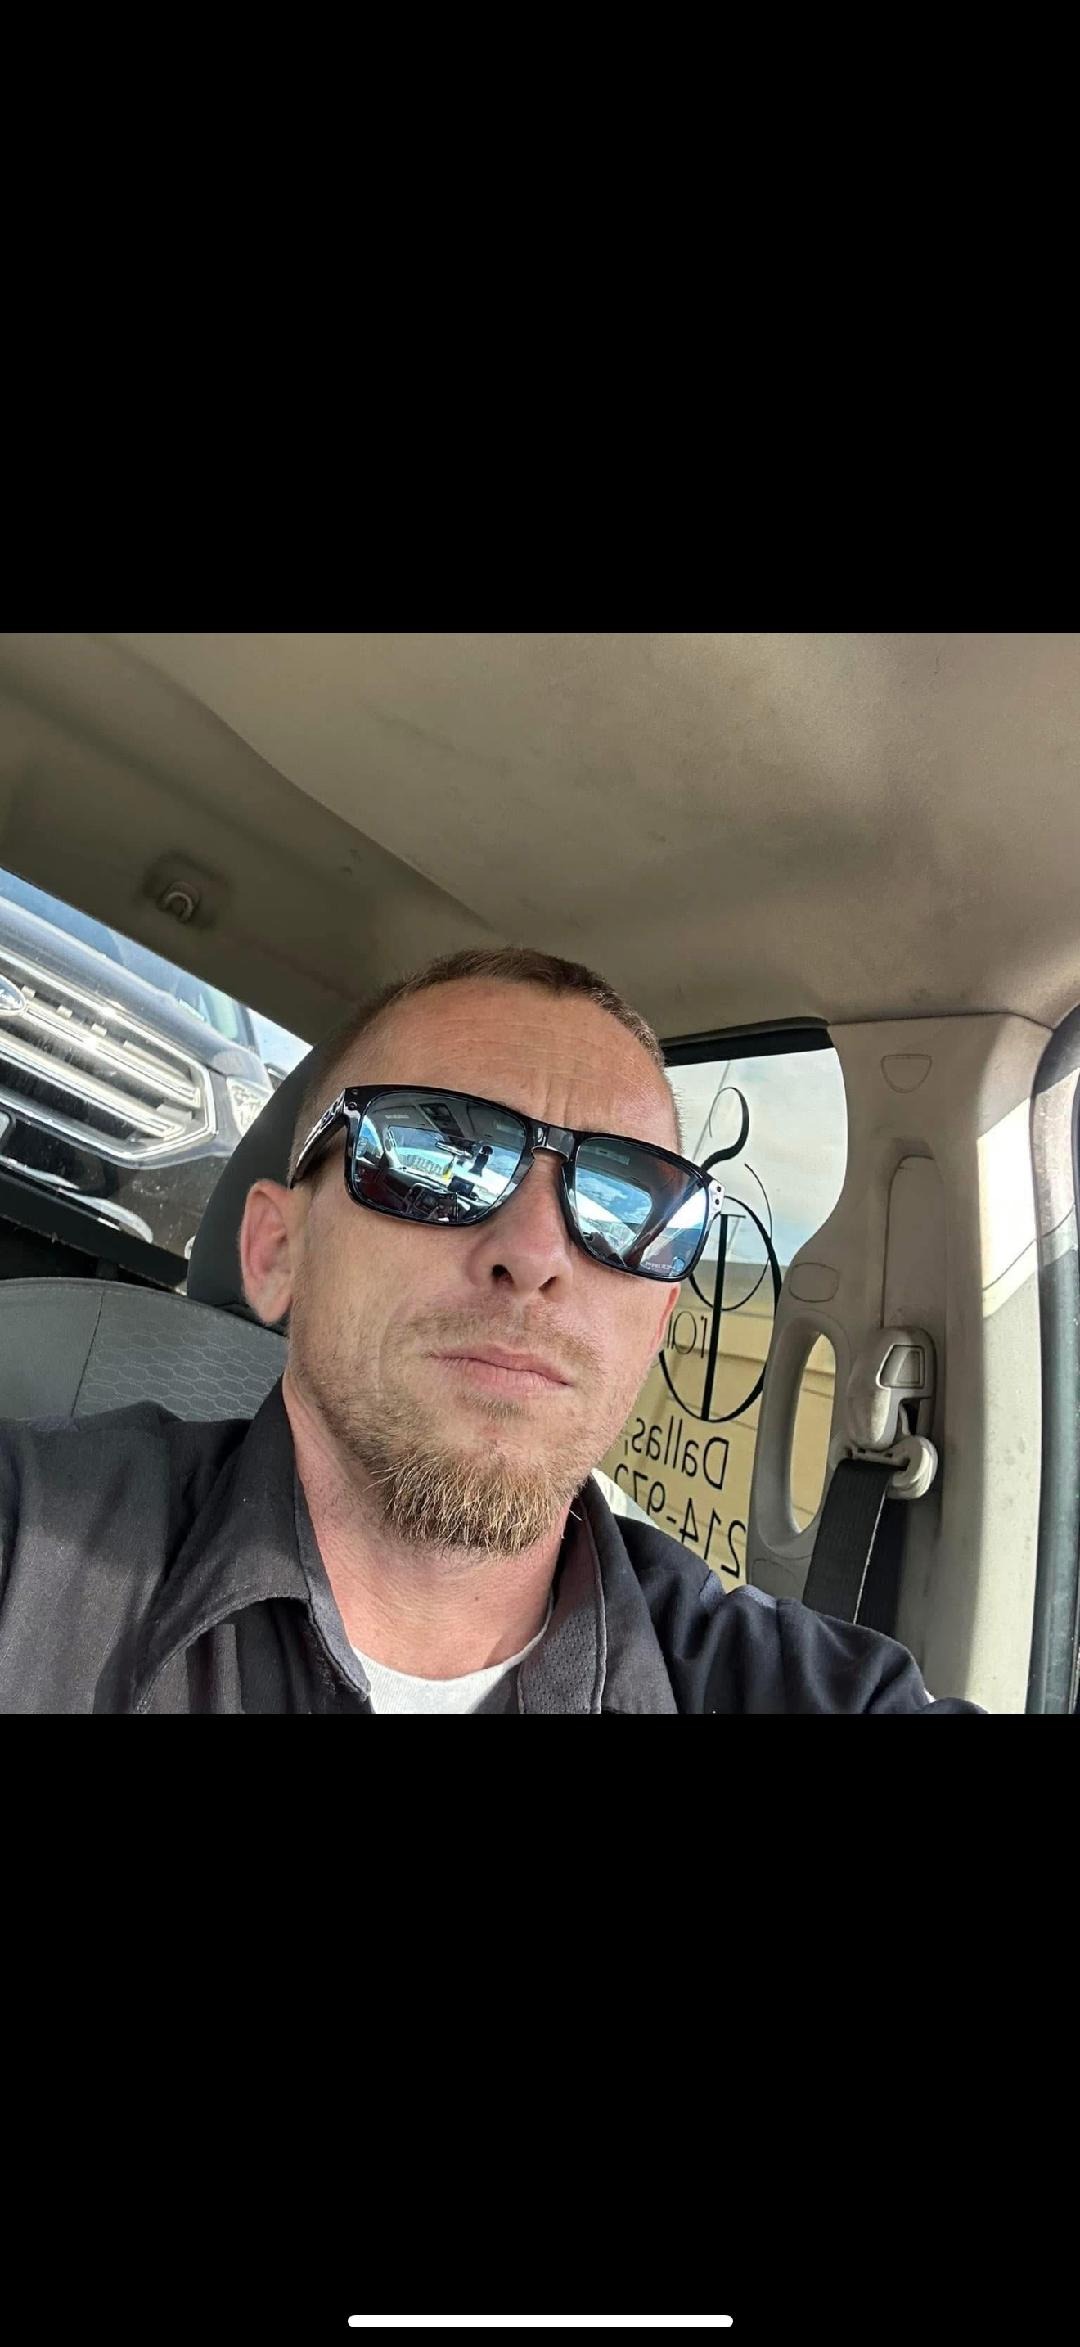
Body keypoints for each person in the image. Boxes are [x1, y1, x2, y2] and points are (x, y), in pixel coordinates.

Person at [0, 945, 983, 1712]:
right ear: (275, 1250)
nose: (538, 1252)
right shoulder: (35, 1550)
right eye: (435, 1156)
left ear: (658, 1322)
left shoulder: (782, 1684)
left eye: (628, 1201)